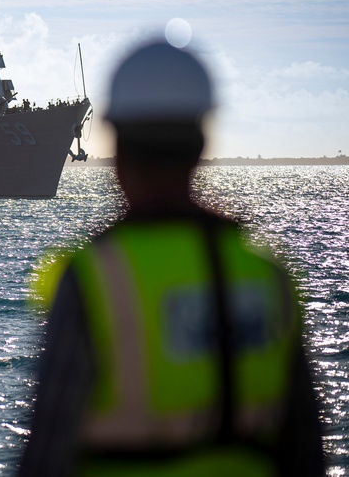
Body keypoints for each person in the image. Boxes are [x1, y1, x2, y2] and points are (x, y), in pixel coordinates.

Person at [19, 40, 324, 476]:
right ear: (200, 146)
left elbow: (46, 453)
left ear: (120, 151)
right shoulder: (269, 271)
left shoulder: (93, 276)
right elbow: (307, 452)